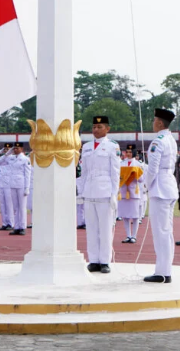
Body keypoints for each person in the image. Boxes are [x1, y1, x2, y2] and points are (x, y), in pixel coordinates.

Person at [80, 116, 121, 274]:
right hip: (89, 191)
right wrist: (81, 190)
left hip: (104, 191)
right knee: (91, 228)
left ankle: (105, 261)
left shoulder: (112, 146)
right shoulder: (87, 147)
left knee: (105, 228)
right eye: (94, 127)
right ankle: (94, 260)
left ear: (107, 129)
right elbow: (83, 172)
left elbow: (115, 172)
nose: (96, 130)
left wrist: (113, 194)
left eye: (100, 127)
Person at [143, 108, 178, 284]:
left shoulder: (159, 141)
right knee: (166, 231)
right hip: (168, 185)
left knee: (161, 232)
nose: (152, 123)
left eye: (154, 120)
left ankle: (163, 272)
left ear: (159, 123)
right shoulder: (171, 139)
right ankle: (164, 269)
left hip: (160, 188)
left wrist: (145, 185)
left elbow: (152, 169)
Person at [0, 142, 32, 235]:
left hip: (21, 185)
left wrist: (27, 187)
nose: (15, 150)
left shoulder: (25, 159)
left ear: (22, 149)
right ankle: (16, 227)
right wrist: (7, 153)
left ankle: (22, 227)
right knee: (16, 208)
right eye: (14, 148)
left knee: (22, 207)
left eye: (17, 148)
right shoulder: (10, 158)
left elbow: (27, 174)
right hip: (12, 184)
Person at [118, 144, 144, 244]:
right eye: (127, 152)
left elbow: (141, 179)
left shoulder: (138, 164)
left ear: (133, 153)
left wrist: (134, 175)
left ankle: (134, 236)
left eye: (130, 152)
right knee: (125, 215)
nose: (128, 154)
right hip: (124, 191)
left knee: (135, 215)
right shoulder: (121, 164)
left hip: (134, 191)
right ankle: (128, 235)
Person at [0, 143, 15, 232]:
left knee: (9, 205)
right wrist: (1, 152)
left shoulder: (13, 158)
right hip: (1, 183)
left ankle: (11, 223)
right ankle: (4, 223)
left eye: (8, 149)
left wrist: (8, 154)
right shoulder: (2, 159)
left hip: (9, 184)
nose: (6, 150)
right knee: (2, 204)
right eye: (5, 149)